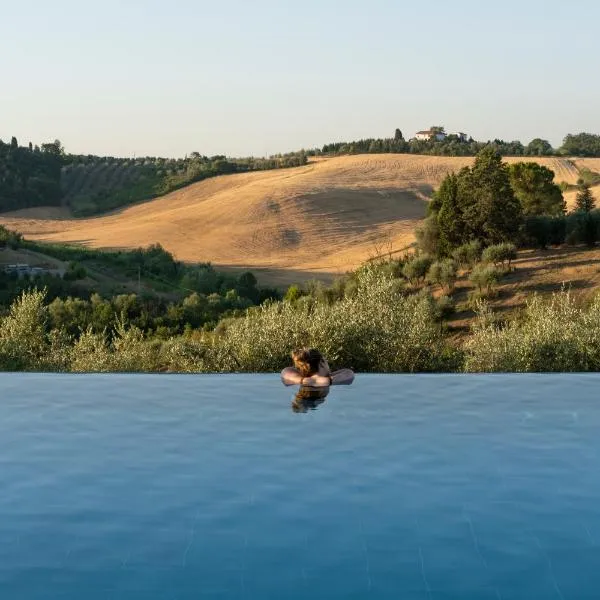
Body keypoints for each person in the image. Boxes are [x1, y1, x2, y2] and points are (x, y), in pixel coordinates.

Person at [281, 347, 355, 387]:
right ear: (321, 363)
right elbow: (349, 374)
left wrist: (304, 381)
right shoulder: (331, 378)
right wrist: (326, 381)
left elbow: (284, 372)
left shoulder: (301, 378)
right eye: (326, 361)